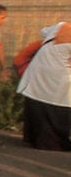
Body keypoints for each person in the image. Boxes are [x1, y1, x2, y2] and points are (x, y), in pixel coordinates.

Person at [16, 21, 71, 150]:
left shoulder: (61, 26)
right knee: (58, 108)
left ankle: (34, 139)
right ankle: (54, 142)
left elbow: (43, 31)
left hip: (39, 71)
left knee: (38, 106)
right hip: (58, 77)